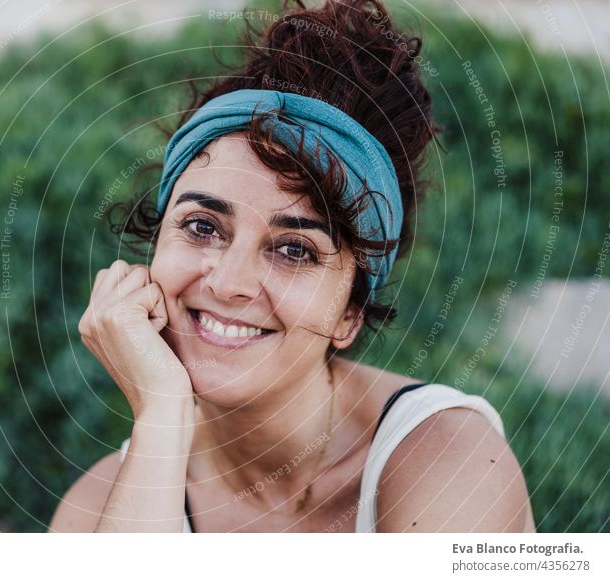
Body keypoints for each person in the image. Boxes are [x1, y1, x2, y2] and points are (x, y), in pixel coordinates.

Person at [49, 0, 535, 533]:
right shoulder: (94, 509)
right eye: (203, 227)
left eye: (294, 249)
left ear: (350, 311)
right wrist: (163, 414)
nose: (229, 283)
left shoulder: (445, 463)